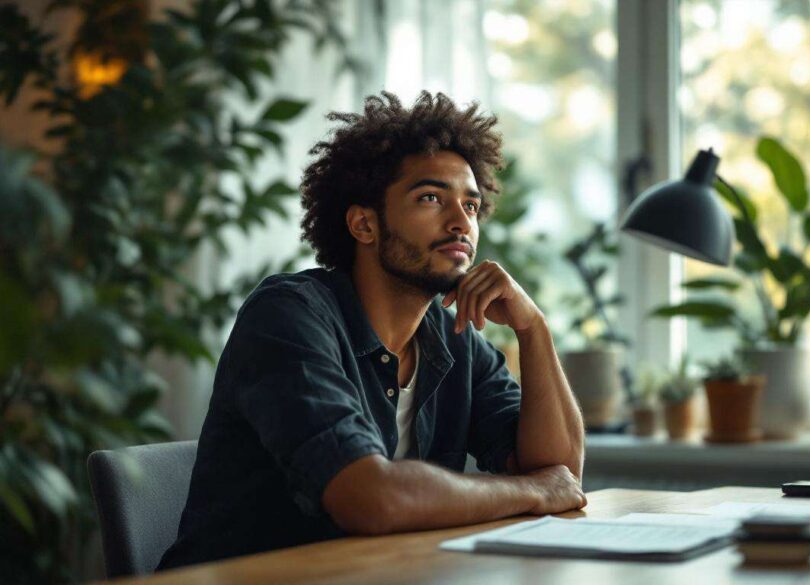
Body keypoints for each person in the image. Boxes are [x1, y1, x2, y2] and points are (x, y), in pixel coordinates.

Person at [157, 91, 586, 570]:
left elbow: (560, 473)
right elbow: (371, 500)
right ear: (364, 224)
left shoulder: (455, 339)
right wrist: (531, 491)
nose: (460, 222)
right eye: (430, 198)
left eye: (470, 205)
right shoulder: (288, 318)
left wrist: (534, 329)